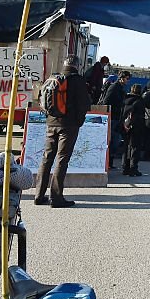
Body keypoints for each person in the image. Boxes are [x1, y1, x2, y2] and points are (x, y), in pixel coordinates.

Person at [34, 57, 91, 208]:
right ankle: (56, 198)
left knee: (47, 158)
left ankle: (39, 195)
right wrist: (79, 121)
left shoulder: (53, 78)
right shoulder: (78, 81)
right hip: (69, 125)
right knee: (62, 159)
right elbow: (85, 103)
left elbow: (42, 98)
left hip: (51, 123)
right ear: (77, 66)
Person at [102, 71, 130, 170]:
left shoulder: (120, 88)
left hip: (117, 117)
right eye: (127, 78)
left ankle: (110, 163)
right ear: (121, 78)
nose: (128, 80)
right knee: (112, 141)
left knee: (115, 141)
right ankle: (108, 163)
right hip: (113, 117)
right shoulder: (114, 87)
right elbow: (106, 101)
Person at [121, 84, 147, 176]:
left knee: (126, 146)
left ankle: (125, 167)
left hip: (126, 126)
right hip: (137, 126)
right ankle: (133, 168)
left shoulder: (125, 100)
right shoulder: (140, 101)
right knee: (135, 147)